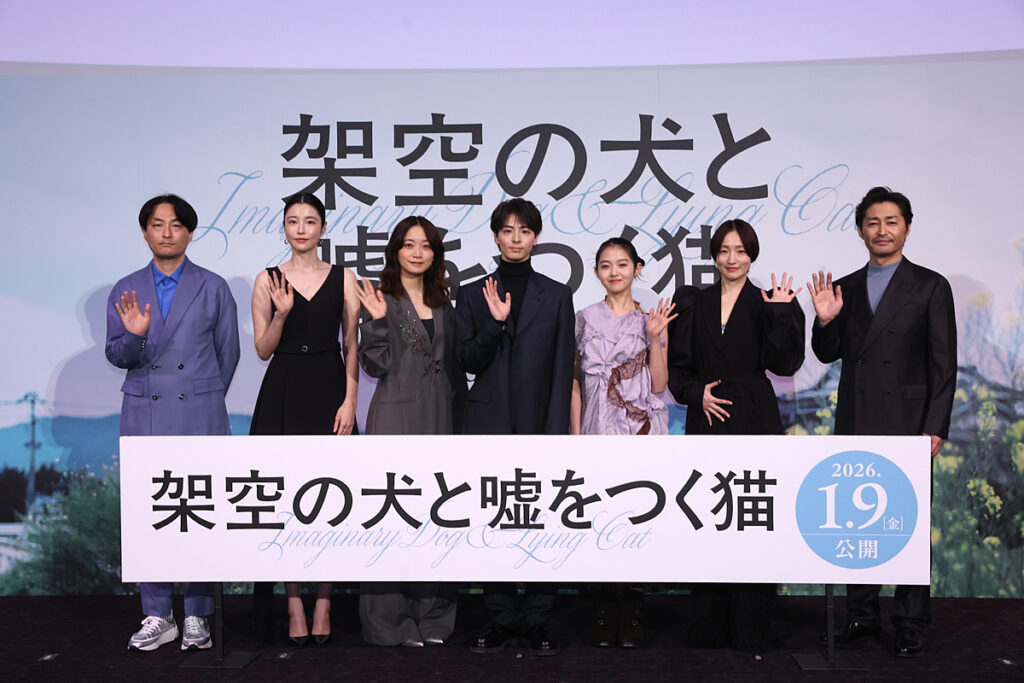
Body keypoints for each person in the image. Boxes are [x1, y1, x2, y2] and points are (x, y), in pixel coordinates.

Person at [808, 186, 956, 658]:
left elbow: (943, 364)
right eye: (873, 222)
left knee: (909, 524)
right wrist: (825, 321)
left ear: (907, 227)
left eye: (891, 221)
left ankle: (910, 621)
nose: (882, 230)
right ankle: (862, 616)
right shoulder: (845, 287)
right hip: (856, 417)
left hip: (909, 423)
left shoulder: (930, 286)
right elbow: (827, 353)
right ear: (860, 231)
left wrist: (935, 425)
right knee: (855, 523)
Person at [106, 194, 240, 652]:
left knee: (200, 509)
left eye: (176, 224)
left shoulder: (213, 286)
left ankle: (198, 614)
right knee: (150, 512)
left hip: (200, 413)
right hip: (145, 412)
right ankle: (158, 614)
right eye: (158, 224)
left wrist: (203, 395)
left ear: (190, 232)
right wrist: (137, 338)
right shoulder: (126, 288)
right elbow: (117, 354)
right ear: (145, 231)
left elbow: (228, 354)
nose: (167, 232)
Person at [667, 218, 804, 652]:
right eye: (725, 250)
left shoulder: (771, 300)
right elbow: (677, 368)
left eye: (741, 251)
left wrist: (780, 312)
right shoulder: (693, 302)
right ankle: (708, 626)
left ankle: (752, 626)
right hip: (706, 418)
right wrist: (696, 395)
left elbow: (785, 364)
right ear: (714, 255)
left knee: (753, 518)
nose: (732, 259)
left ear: (752, 255)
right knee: (708, 516)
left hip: (756, 416)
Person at [455, 198, 574, 656]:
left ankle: (539, 617)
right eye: (507, 230)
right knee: (493, 519)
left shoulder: (557, 294)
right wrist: (495, 325)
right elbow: (467, 359)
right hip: (487, 423)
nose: (516, 238)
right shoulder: (472, 293)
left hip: (540, 423)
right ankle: (502, 616)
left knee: (544, 521)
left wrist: (556, 431)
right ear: (496, 236)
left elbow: (562, 368)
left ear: (536, 237)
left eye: (524, 230)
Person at [249, 192, 359, 647]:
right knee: (286, 498)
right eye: (292, 221)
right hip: (284, 388)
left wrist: (350, 400)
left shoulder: (343, 277)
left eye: (310, 221)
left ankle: (324, 601)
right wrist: (282, 313)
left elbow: (351, 344)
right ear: (284, 228)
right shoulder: (267, 279)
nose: (301, 229)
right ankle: (293, 600)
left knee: (334, 496)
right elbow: (263, 349)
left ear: (323, 228)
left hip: (330, 384)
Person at [353, 216, 467, 647]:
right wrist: (377, 321)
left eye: (426, 246)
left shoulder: (444, 301)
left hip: (441, 419)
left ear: (435, 253)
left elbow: (454, 364)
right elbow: (374, 365)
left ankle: (434, 617)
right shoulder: (381, 298)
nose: (417, 253)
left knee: (436, 517)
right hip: (394, 420)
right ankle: (389, 622)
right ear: (395, 251)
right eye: (409, 244)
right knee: (392, 517)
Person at [571, 237, 675, 647]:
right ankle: (603, 607)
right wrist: (576, 434)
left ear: (637, 268)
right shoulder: (582, 319)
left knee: (635, 514)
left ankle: (632, 608)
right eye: (605, 265)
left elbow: (660, 384)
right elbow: (575, 384)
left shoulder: (651, 318)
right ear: (597, 271)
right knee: (599, 515)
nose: (614, 272)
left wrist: (654, 338)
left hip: (639, 430)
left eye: (622, 264)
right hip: (596, 426)